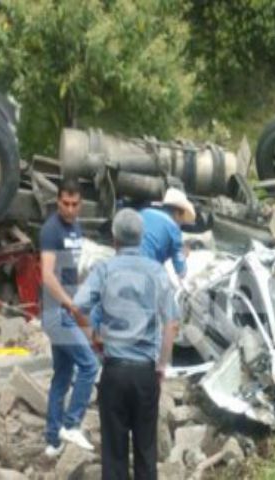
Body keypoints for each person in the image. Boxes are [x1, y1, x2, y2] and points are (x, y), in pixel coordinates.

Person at [73, 208, 180, 480]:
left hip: (114, 372)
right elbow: (172, 324)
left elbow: (77, 307)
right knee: (146, 452)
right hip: (145, 372)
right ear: (141, 237)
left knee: (114, 456)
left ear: (114, 239)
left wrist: (93, 336)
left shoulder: (105, 270)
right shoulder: (157, 272)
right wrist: (161, 366)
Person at [39, 179, 99, 456]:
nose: (70, 209)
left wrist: (82, 300)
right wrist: (70, 304)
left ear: (81, 204)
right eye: (65, 203)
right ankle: (72, 424)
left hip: (68, 310)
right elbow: (47, 275)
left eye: (75, 204)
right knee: (89, 366)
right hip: (56, 312)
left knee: (62, 376)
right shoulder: (51, 230)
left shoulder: (76, 227)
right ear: (58, 201)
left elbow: (72, 270)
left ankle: (53, 440)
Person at [139, 187, 196, 278]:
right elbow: (181, 272)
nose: (180, 225)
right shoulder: (173, 229)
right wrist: (183, 255)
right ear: (177, 213)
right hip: (143, 273)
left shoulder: (143, 213)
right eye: (182, 220)